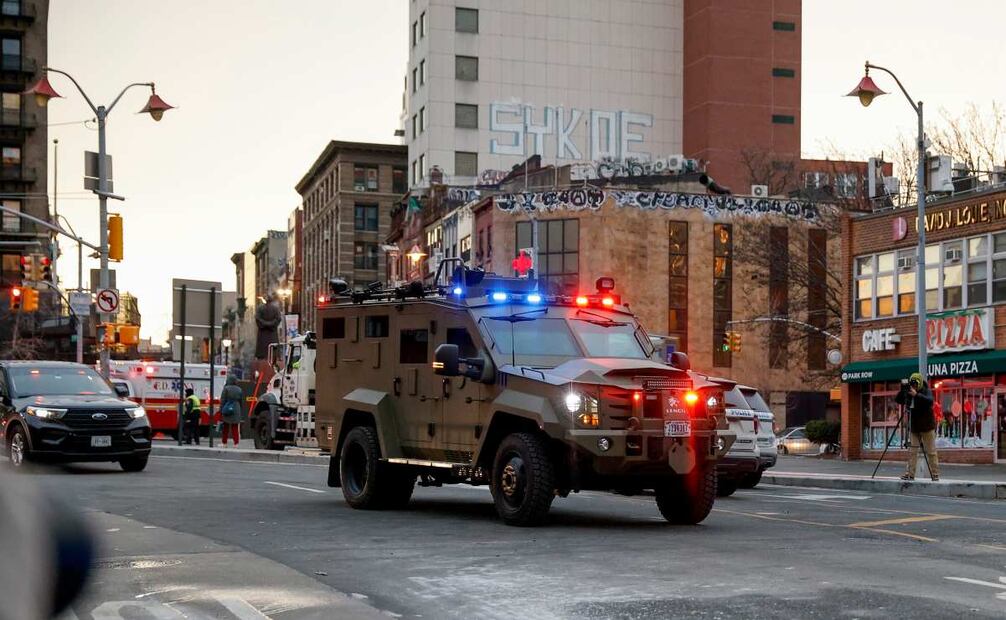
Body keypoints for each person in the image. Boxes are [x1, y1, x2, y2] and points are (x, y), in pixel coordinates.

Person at [895, 372, 940, 481]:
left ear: (919, 383)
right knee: (912, 451)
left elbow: (929, 402)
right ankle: (910, 474)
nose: (914, 386)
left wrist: (916, 395)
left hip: (927, 426)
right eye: (912, 384)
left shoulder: (926, 390)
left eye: (915, 384)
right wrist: (903, 390)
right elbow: (898, 400)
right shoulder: (909, 391)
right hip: (914, 426)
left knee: (931, 451)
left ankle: (935, 474)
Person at [219, 376, 244, 447]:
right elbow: (241, 401)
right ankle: (236, 443)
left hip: (227, 406)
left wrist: (221, 410)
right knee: (235, 427)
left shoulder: (226, 388)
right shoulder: (239, 389)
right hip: (236, 408)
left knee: (226, 427)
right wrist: (240, 409)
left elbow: (223, 400)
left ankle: (224, 443)